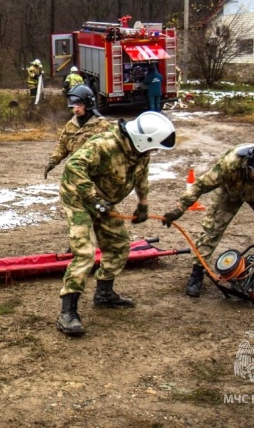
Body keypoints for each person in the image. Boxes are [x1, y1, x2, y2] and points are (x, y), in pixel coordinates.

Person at [56, 111, 176, 336]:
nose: (155, 151)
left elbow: (142, 177)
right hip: (79, 199)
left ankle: (104, 294)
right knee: (85, 253)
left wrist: (143, 205)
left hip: (104, 201)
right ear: (144, 139)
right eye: (155, 146)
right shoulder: (104, 145)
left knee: (120, 245)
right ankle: (67, 312)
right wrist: (93, 199)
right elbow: (73, 167)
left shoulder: (140, 153)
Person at [161, 141, 254, 299]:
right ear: (249, 164)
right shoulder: (231, 163)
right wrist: (179, 208)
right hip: (231, 192)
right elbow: (201, 185)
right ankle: (197, 275)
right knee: (212, 229)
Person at [44, 84, 110, 180]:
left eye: (79, 105)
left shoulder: (101, 125)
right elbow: (62, 145)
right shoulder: (71, 125)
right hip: (75, 174)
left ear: (88, 104)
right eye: (73, 105)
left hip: (95, 176)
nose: (76, 109)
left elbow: (111, 152)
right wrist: (53, 161)